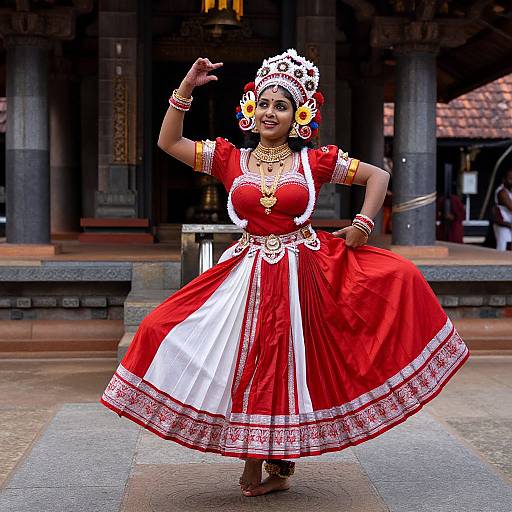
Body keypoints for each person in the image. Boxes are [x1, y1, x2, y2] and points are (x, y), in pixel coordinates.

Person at [100, 50, 469, 497]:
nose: (270, 112)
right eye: (265, 103)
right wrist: (185, 89)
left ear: (298, 116)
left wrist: (362, 225)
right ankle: (255, 457)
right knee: (186, 334)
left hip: (307, 274)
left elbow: (378, 177)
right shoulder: (228, 159)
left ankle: (271, 465)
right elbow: (168, 143)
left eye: (282, 106)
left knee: (295, 361)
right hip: (247, 272)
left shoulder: (312, 163)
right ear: (250, 108)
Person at [493, 168, 512, 251]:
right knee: (503, 250)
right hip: (503, 225)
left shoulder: (509, 191)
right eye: (510, 179)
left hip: (509, 226)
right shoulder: (501, 192)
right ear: (504, 179)